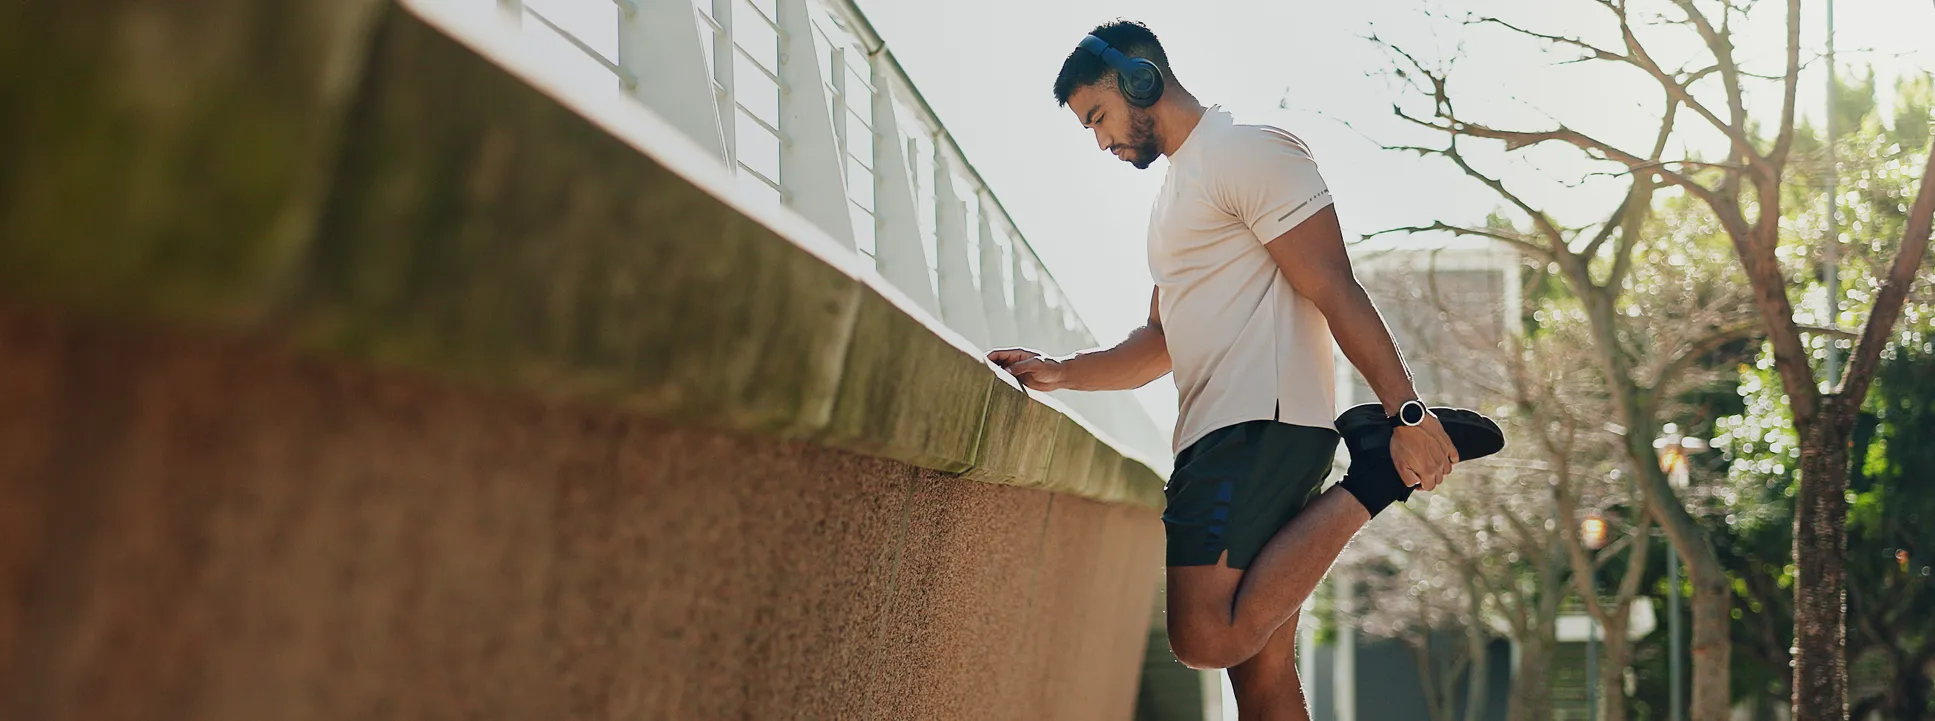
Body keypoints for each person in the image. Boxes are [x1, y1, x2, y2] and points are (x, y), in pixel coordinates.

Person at [987, 20, 1463, 720]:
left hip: (1252, 431)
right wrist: (1063, 371)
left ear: (1140, 81)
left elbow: (1331, 282)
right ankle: (1370, 472)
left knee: (1205, 636)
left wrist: (1406, 415)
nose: (1100, 140)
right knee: (1263, 681)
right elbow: (1158, 341)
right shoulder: (1173, 202)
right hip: (1230, 433)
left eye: (1098, 116)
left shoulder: (1245, 152)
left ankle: (1375, 475)